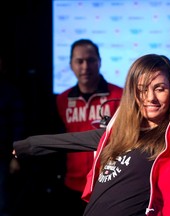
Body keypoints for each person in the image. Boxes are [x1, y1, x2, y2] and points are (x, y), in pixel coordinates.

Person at [13, 54, 170, 215]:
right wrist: (26, 146)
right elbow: (71, 140)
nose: (150, 97)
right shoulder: (119, 133)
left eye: (160, 88)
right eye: (142, 89)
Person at [56, 39, 123, 215]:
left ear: (99, 62)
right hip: (72, 185)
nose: (85, 66)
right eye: (79, 61)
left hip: (108, 184)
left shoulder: (119, 95)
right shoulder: (62, 99)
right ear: (71, 64)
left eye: (91, 60)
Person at [0, 53, 25, 216]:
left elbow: (18, 126)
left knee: (3, 205)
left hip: (2, 157)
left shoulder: (8, 91)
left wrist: (15, 158)